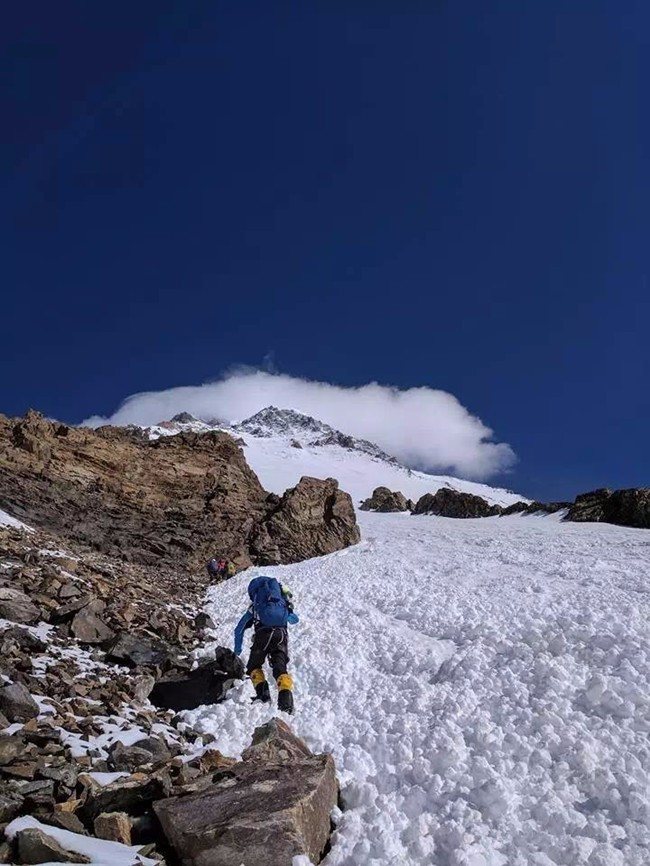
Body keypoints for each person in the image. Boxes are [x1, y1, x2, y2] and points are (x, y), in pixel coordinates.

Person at [233, 575, 299, 714]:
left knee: (253, 666)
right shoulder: (282, 602)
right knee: (280, 669)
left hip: (263, 635)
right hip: (281, 635)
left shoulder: (256, 606)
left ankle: (263, 697)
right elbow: (294, 620)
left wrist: (237, 650)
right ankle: (286, 705)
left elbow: (239, 629)